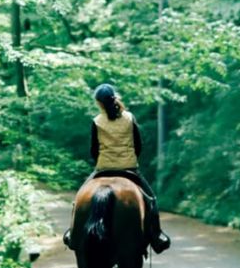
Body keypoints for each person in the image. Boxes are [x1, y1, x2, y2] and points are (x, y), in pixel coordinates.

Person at [63, 83, 171, 253]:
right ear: (115, 98)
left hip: (103, 167)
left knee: (79, 199)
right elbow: (138, 144)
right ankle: (156, 235)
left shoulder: (97, 121)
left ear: (99, 103)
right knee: (151, 199)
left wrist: (102, 161)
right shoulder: (129, 118)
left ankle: (73, 234)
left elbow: (94, 150)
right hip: (129, 167)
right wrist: (130, 159)